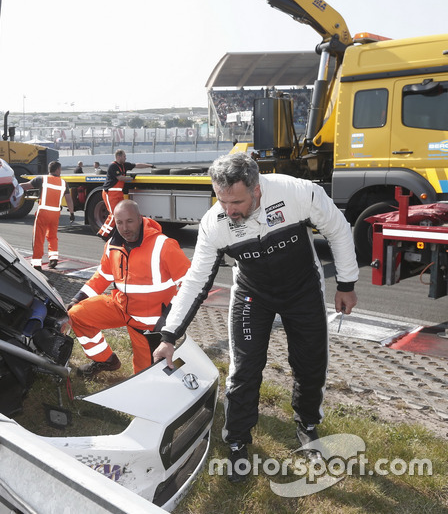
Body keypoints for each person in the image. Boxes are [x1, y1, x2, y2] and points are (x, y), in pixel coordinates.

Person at [151, 152, 359, 483]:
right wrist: (169, 335)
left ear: (257, 189)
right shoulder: (214, 223)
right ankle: (236, 442)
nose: (229, 210)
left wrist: (346, 283)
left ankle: (306, 424)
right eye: (222, 201)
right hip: (252, 295)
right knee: (244, 369)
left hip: (302, 288)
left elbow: (337, 228)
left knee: (310, 363)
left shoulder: (296, 192)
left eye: (236, 202)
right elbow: (195, 281)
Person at [67, 199, 190, 377]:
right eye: (120, 222)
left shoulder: (164, 245)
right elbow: (102, 276)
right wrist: (76, 299)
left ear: (140, 219)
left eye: (130, 221)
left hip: (148, 324)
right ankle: (105, 360)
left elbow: (189, 285)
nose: (125, 228)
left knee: (145, 378)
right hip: (120, 307)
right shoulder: (112, 245)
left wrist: (166, 320)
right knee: (77, 315)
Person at [19, 161, 74, 270]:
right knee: (52, 236)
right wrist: (71, 213)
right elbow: (69, 199)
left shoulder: (42, 179)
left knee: (39, 237)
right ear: (58, 170)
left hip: (43, 212)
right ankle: (53, 259)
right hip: (55, 214)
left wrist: (16, 185)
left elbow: (26, 186)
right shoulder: (64, 183)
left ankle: (36, 263)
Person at [97, 149, 153, 238]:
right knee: (113, 214)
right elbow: (120, 178)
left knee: (120, 213)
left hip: (118, 193)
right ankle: (103, 233)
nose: (125, 157)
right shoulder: (113, 166)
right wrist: (131, 178)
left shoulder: (124, 165)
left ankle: (114, 232)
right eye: (124, 156)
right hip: (110, 193)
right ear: (118, 157)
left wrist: (150, 165)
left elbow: (136, 165)